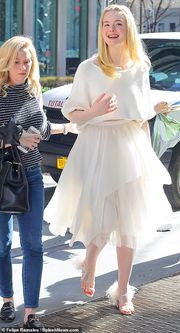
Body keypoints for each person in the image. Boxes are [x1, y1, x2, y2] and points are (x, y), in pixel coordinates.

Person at [45, 4, 172, 315]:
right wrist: (95, 112)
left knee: (129, 222)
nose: (112, 29)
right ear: (100, 30)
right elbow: (73, 114)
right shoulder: (89, 68)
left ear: (127, 29)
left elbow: (142, 116)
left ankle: (123, 290)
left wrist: (147, 155)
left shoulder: (140, 67)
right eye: (106, 24)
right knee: (100, 214)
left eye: (118, 24)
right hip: (96, 144)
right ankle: (89, 259)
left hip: (130, 145)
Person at [0, 36, 72, 328]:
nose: (22, 66)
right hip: (3, 176)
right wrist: (14, 139)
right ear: (6, 62)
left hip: (31, 175)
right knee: (2, 245)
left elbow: (42, 127)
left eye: (27, 61)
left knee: (33, 246)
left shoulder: (33, 90)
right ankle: (7, 299)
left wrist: (70, 126)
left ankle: (31, 312)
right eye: (17, 61)